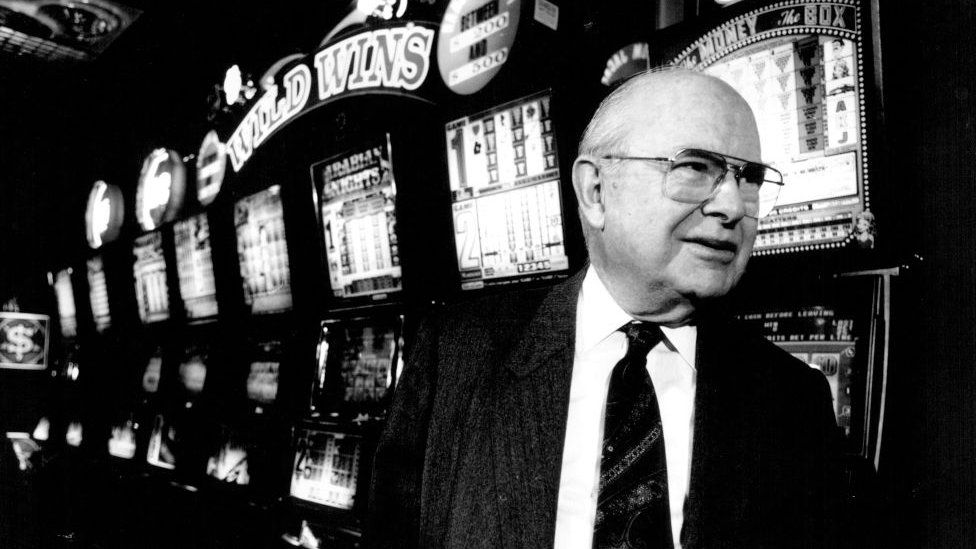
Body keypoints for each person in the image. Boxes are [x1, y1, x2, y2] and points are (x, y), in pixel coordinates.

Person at [365, 69, 844, 548]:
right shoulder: (458, 354)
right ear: (595, 191)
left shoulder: (791, 398)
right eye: (695, 168)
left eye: (750, 178)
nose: (733, 205)